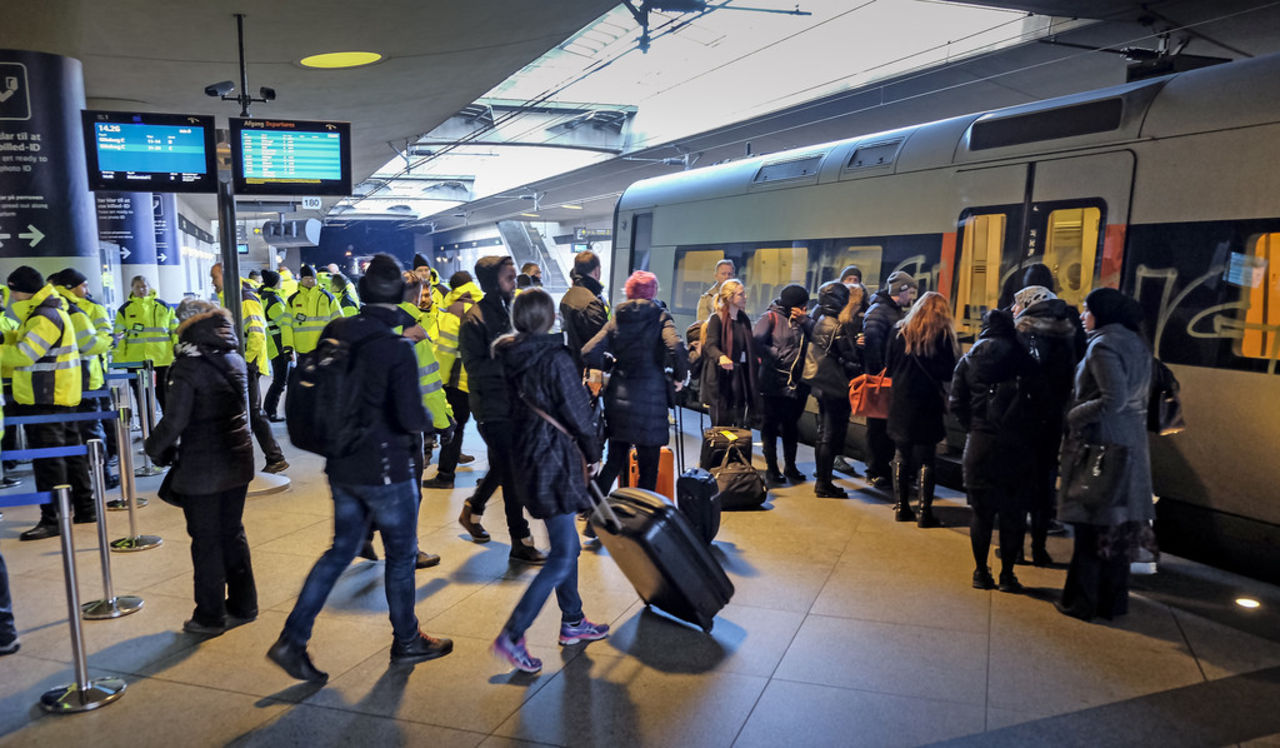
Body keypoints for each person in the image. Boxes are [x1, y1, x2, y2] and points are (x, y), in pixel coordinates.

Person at [268, 254, 453, 683]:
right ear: (400, 296)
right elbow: (411, 417)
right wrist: (430, 419)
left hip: (342, 465)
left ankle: (293, 638)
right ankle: (407, 640)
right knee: (401, 556)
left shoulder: (338, 330)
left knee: (340, 550)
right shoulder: (395, 347)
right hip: (388, 471)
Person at [492, 288, 609, 673]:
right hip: (554, 459)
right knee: (562, 554)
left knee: (565, 544)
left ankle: (572, 619)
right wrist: (593, 452)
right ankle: (514, 633)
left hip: (528, 457)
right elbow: (577, 411)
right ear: (550, 318)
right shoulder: (554, 357)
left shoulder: (510, 355)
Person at [145, 299, 258, 635]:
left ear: (187, 326)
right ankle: (244, 604)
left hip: (202, 465)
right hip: (238, 458)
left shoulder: (188, 365)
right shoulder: (233, 356)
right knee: (232, 531)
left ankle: (209, 616)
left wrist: (153, 449)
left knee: (206, 540)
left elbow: (175, 421)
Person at [1056, 288, 1154, 622]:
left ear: (1102, 313)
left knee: (1090, 527)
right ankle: (1112, 603)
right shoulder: (1137, 342)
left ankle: (1081, 602)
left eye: (1087, 310)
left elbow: (1114, 399)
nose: (1083, 316)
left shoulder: (1103, 345)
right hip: (1131, 446)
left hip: (1103, 447)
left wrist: (1074, 415)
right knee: (1116, 533)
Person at [455, 256, 544, 564]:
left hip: (513, 402)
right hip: (491, 407)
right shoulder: (474, 319)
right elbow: (475, 367)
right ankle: (520, 539)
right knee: (512, 470)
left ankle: (472, 510)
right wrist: (511, 359)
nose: (514, 282)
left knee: (504, 466)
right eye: (509, 277)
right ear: (493, 282)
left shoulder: (510, 308)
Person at [950, 309, 1039, 592]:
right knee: (1013, 515)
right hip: (1016, 447)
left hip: (980, 445)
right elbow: (1040, 404)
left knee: (982, 514)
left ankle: (980, 572)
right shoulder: (1024, 359)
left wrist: (974, 427)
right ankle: (1008, 575)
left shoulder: (969, 359)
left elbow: (955, 403)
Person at [5, 267, 90, 541]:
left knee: (49, 461)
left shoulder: (44, 316)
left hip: (45, 397)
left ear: (24, 290)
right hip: (58, 395)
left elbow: (25, 355)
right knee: (70, 455)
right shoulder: (49, 311)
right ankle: (85, 508)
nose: (12, 297)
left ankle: (53, 518)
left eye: (14, 291)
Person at [582, 270, 687, 493]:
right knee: (648, 468)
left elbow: (589, 350)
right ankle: (641, 512)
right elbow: (677, 348)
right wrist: (679, 377)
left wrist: (607, 364)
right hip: (651, 400)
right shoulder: (660, 317)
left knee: (614, 461)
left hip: (619, 399)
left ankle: (593, 508)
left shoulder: (618, 318)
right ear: (653, 291)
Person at [1014, 282, 1086, 566]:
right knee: (1045, 482)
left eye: (1017, 303)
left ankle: (1015, 548)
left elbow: (1022, 374)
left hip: (1025, 416)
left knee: (1019, 482)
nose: (1013, 308)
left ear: (1029, 303)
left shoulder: (1025, 329)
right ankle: (1040, 547)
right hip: (1054, 415)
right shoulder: (1068, 329)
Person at [886, 291, 957, 527]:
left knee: (901, 453)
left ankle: (901, 507)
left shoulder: (899, 332)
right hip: (928, 403)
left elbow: (889, 366)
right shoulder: (943, 336)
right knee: (926, 458)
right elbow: (948, 372)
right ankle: (925, 512)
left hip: (901, 400)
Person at [212, 264, 288, 474]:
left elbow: (256, 332)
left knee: (252, 412)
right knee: (247, 411)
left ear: (224, 276)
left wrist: (248, 363)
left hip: (246, 363)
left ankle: (274, 458)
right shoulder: (234, 295)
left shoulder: (243, 298)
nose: (212, 282)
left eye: (214, 277)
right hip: (240, 362)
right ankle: (266, 458)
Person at [49, 270, 117, 489]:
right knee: (91, 431)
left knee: (70, 434)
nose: (87, 290)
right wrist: (110, 341)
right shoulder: (75, 311)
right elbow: (90, 344)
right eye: (83, 285)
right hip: (86, 379)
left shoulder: (49, 308)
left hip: (58, 382)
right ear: (71, 287)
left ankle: (78, 482)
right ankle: (103, 476)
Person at [802, 281, 862, 499]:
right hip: (834, 385)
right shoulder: (837, 326)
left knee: (823, 434)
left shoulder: (821, 320)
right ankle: (824, 483)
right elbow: (849, 357)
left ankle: (822, 480)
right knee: (830, 434)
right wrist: (858, 351)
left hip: (821, 384)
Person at [425, 270, 481, 489]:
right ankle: (501, 474)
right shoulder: (486, 305)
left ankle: (445, 476)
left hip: (460, 380)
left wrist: (439, 381)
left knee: (454, 427)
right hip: (486, 379)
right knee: (490, 428)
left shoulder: (454, 311)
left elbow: (445, 352)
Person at [862, 271, 917, 488]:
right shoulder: (879, 311)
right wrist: (880, 371)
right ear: (901, 290)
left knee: (885, 426)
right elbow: (872, 344)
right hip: (881, 380)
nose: (911, 298)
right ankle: (876, 470)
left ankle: (882, 469)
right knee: (878, 427)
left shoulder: (890, 311)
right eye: (910, 292)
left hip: (889, 378)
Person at [754, 283, 813, 485]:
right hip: (773, 381)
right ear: (793, 305)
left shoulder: (803, 321)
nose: (805, 309)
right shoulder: (770, 317)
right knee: (770, 425)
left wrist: (805, 321)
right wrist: (775, 355)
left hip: (796, 383)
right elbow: (755, 341)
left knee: (791, 425)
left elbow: (817, 336)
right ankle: (772, 468)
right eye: (802, 305)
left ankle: (791, 466)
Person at [113, 274, 177, 411]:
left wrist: (178, 353)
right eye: (137, 287)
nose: (141, 290)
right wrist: (120, 361)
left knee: (166, 397)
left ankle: (169, 424)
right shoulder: (125, 310)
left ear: (149, 287)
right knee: (142, 399)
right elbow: (120, 337)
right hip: (136, 361)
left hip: (162, 360)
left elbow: (175, 331)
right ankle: (147, 424)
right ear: (132, 289)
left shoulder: (164, 307)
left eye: (144, 286)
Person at [700, 279, 758, 427]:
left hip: (740, 377)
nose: (745, 297)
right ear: (730, 298)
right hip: (721, 379)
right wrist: (721, 357)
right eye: (741, 294)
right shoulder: (717, 319)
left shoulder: (743, 320)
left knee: (739, 422)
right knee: (721, 424)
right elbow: (710, 345)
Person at [560, 250, 609, 375]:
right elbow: (600, 344)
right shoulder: (590, 303)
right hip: (588, 373)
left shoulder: (568, 296)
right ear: (597, 271)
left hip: (572, 367)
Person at [282, 264, 340, 357]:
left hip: (324, 348)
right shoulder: (293, 300)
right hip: (302, 350)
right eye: (306, 278)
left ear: (316, 278)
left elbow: (338, 322)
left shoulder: (328, 297)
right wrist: (288, 347)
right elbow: (286, 325)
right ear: (301, 279)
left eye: (312, 278)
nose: (309, 280)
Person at [258, 270, 290, 422]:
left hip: (270, 342)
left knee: (279, 380)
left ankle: (268, 411)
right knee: (280, 381)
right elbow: (284, 323)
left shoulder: (263, 296)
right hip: (278, 344)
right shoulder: (274, 300)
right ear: (276, 282)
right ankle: (270, 412)